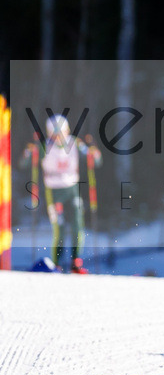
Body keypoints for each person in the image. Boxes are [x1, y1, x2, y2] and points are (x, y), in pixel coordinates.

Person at [28, 115, 102, 273]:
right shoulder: (44, 146)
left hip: (72, 189)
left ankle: (76, 262)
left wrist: (93, 151)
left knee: (77, 225)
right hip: (54, 192)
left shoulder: (75, 143)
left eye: (62, 132)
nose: (59, 137)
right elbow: (26, 162)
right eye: (55, 134)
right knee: (59, 229)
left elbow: (95, 160)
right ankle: (57, 264)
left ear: (67, 131)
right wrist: (30, 151)